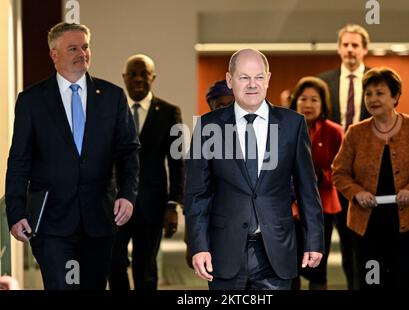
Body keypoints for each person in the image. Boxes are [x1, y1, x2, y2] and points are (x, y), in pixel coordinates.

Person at [5, 22, 140, 290]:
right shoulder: (32, 101)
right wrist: (16, 211)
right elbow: (19, 159)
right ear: (54, 54)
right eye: (73, 48)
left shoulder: (112, 97)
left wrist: (127, 194)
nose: (82, 53)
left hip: (99, 219)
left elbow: (129, 151)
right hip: (51, 222)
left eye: (86, 47)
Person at [184, 48, 324, 290]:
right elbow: (197, 194)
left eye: (259, 77)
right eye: (244, 77)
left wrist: (314, 239)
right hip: (224, 249)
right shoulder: (208, 126)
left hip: (276, 249)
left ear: (268, 79)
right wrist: (198, 246)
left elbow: (307, 190)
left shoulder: (293, 124)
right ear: (230, 80)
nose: (252, 84)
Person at [332, 67, 409, 289]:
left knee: (403, 282)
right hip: (366, 225)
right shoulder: (356, 133)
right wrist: (357, 192)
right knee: (371, 282)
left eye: (379, 93)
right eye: (368, 93)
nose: (372, 99)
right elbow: (339, 172)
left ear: (395, 97)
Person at [109, 54, 184, 290]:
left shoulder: (170, 112)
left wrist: (173, 204)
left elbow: (177, 162)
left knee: (146, 268)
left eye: (144, 74)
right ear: (124, 78)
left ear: (153, 77)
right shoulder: (111, 111)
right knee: (113, 261)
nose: (139, 79)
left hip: (152, 205)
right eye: (133, 74)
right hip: (115, 203)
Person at [317, 24, 372, 289]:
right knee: (328, 240)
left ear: (364, 49)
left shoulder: (377, 80)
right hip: (330, 175)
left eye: (355, 45)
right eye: (346, 45)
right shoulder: (323, 82)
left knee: (361, 244)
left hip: (366, 176)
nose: (350, 49)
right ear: (339, 48)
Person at [289, 77, 343, 290]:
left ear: (323, 104)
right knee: (289, 265)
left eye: (314, 99)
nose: (308, 104)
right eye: (303, 99)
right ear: (295, 101)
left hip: (322, 206)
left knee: (317, 267)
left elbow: (342, 170)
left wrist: (321, 175)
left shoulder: (334, 131)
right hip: (288, 207)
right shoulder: (283, 127)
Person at [184, 79, 235, 269]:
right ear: (210, 106)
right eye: (220, 106)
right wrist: (193, 242)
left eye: (231, 105)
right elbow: (194, 195)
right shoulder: (202, 139)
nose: (226, 111)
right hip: (216, 229)